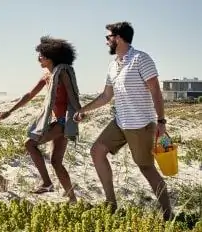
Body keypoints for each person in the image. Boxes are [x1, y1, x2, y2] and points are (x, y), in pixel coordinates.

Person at [74, 21, 173, 220]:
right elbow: (106, 96)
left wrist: (161, 122)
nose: (106, 42)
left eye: (108, 37)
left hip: (140, 125)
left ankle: (168, 215)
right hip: (120, 122)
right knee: (97, 151)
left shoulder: (141, 59)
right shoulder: (113, 65)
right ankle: (111, 204)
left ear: (118, 38)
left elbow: (155, 91)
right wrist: (84, 110)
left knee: (146, 168)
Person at [0, 36, 82, 203]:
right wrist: (10, 110)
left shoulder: (62, 72)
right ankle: (72, 199)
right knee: (56, 162)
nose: (38, 59)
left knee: (30, 143)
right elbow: (29, 95)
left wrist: (80, 112)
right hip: (57, 122)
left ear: (51, 56)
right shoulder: (46, 75)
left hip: (63, 122)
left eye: (41, 55)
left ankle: (47, 182)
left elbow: (73, 95)